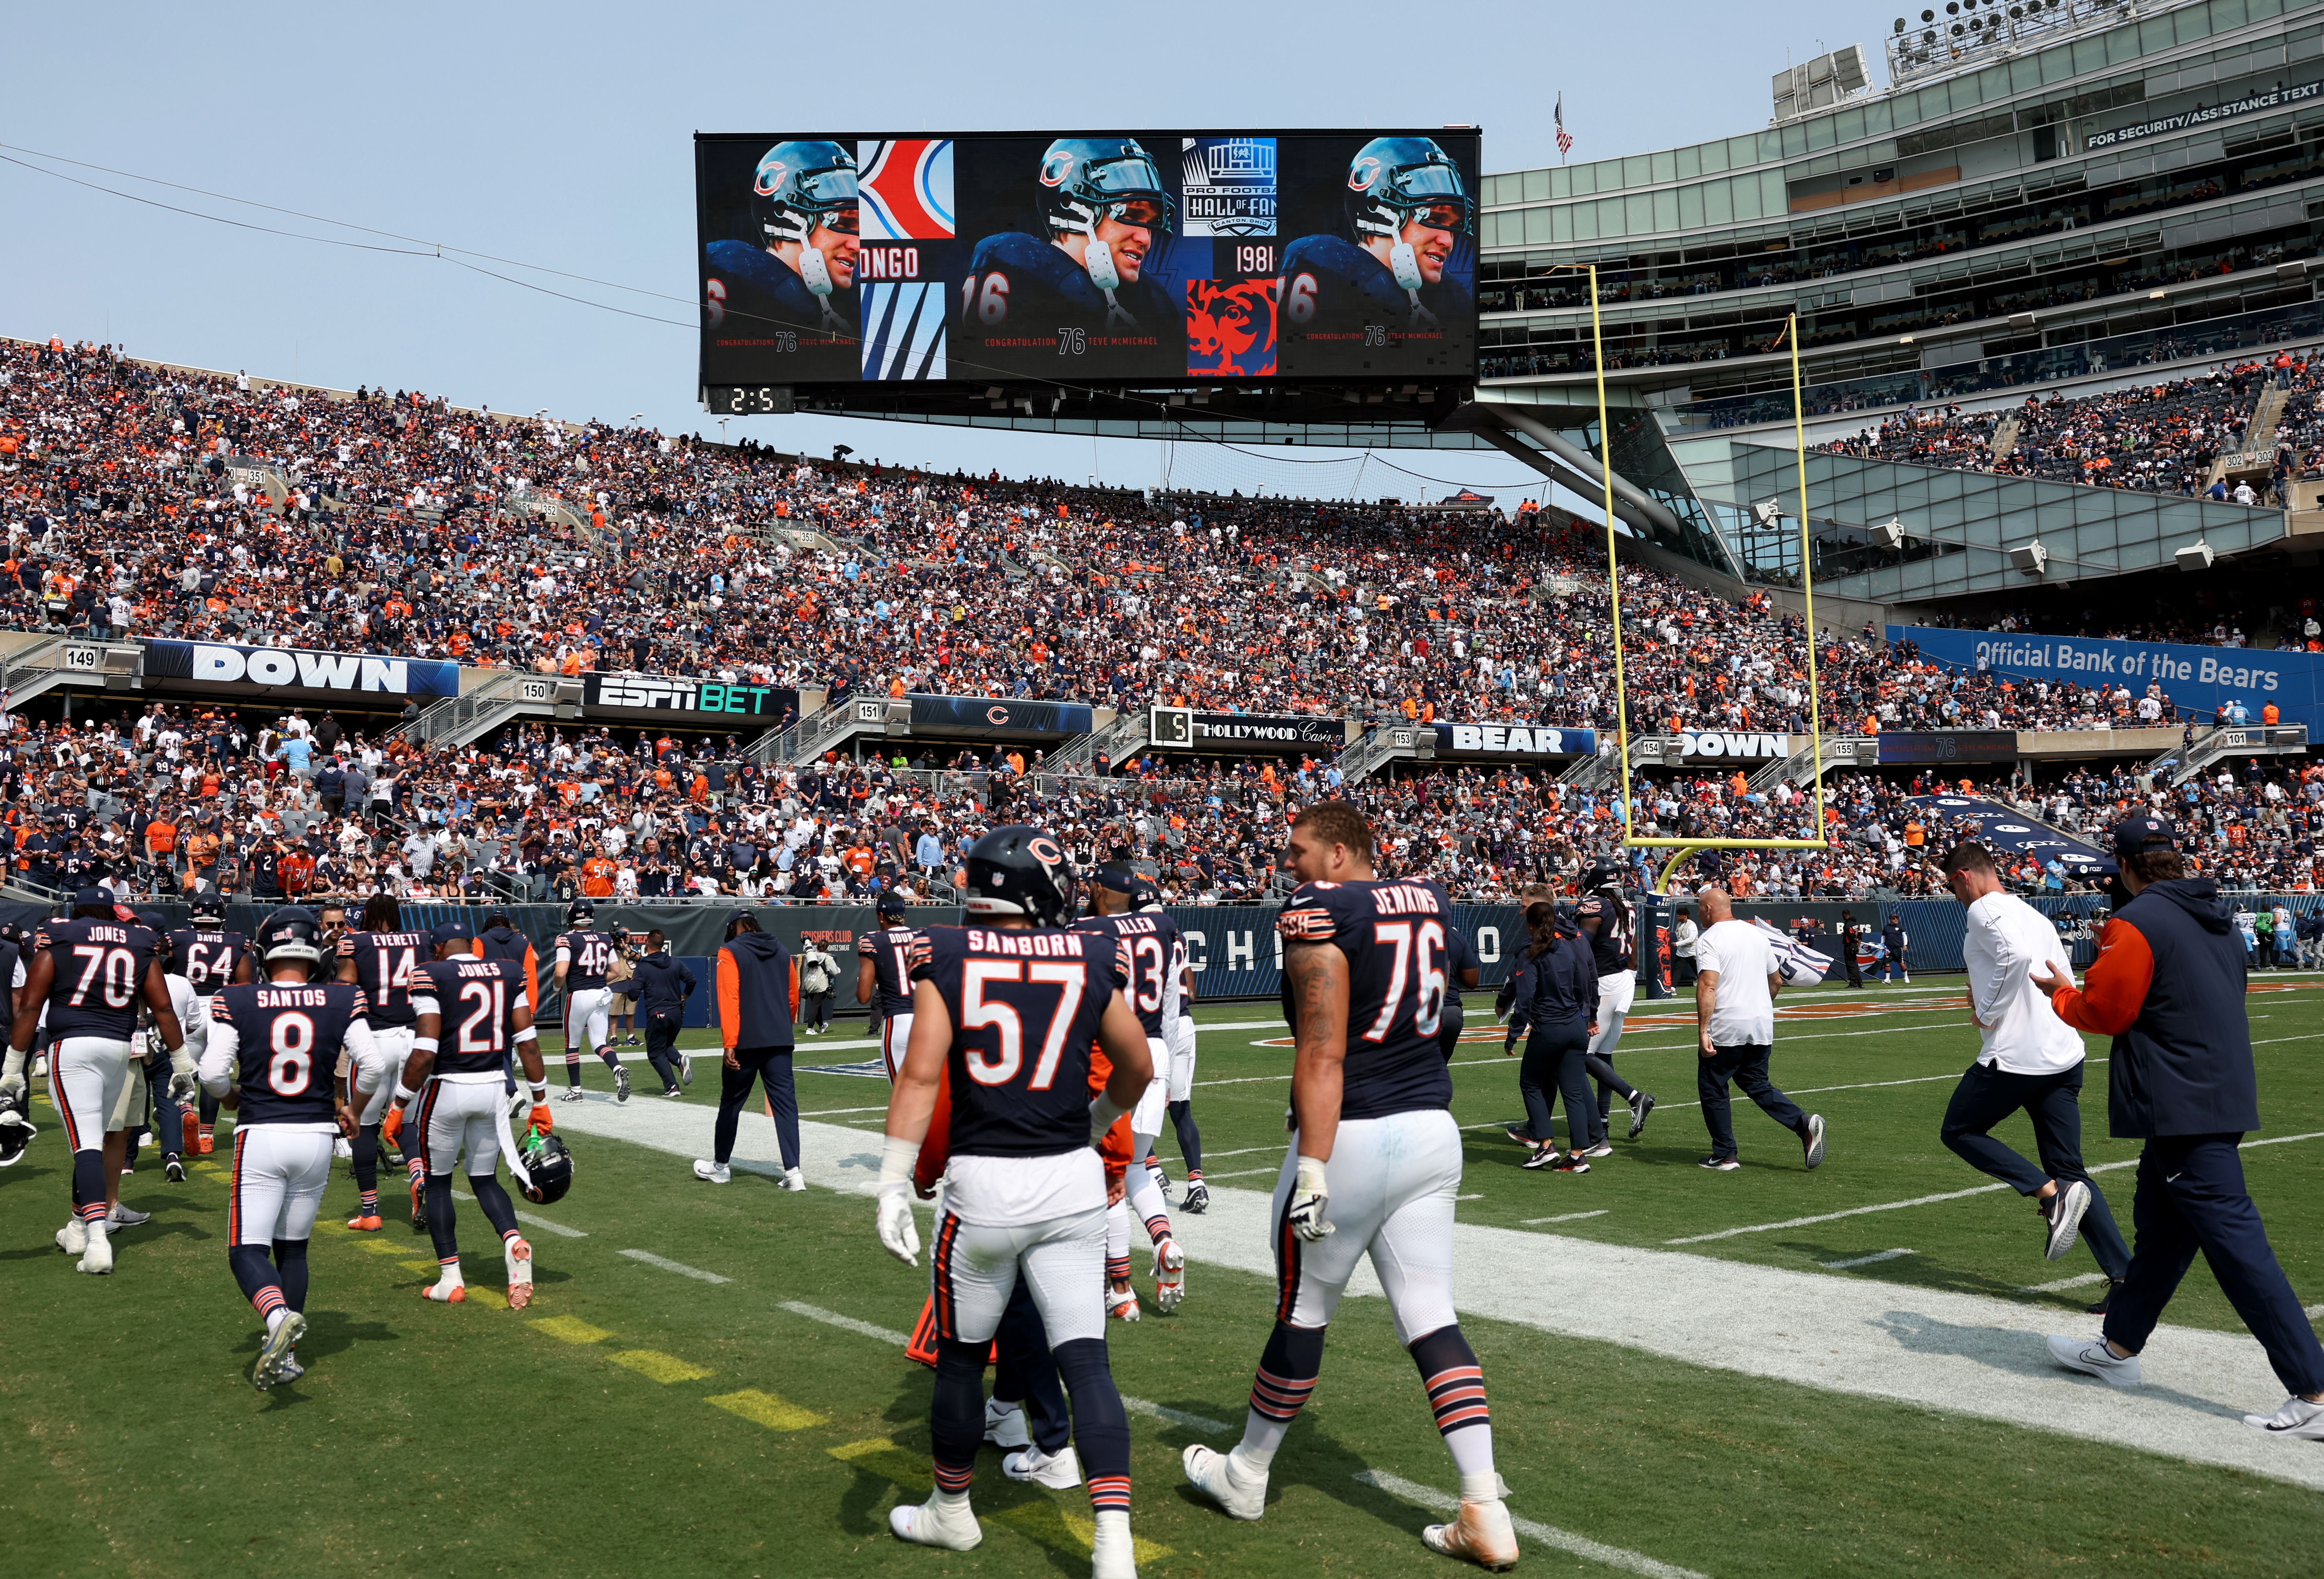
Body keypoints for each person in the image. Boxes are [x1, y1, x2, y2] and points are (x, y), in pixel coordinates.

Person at [1182, 803, 1519, 1570]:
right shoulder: (1428, 898)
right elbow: (1456, 995)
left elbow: (1324, 1049)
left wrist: (1312, 1162)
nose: (1288, 865)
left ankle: (1247, 1474)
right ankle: (1484, 1507)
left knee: (1302, 1313)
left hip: (1354, 1136)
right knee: (1431, 1316)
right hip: (1431, 1128)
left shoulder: (1319, 910)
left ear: (1339, 853)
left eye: (1299, 851)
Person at [872, 824, 1153, 1576]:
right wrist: (1092, 1124)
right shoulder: (1094, 951)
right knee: (1087, 1364)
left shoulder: (949, 953)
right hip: (1069, 1183)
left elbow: (921, 1077)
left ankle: (953, 1513)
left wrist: (893, 1180)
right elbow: (1138, 1064)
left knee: (963, 1363)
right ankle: (1113, 1546)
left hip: (984, 1188)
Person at [2034, 814, 2324, 1439]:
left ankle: (2312, 1388)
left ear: (2125, 865)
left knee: (2238, 1248)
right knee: (2162, 1232)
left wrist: (2060, 993)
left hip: (2180, 1107)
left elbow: (2107, 1011)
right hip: (2213, 1093)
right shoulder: (2215, 919)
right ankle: (2117, 1348)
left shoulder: (2137, 921)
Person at [1938, 842, 2131, 1309]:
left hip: (2019, 1054)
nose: (1954, 895)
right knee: (2072, 1171)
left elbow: (2015, 956)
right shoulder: (2033, 913)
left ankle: (2048, 1194)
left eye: (1951, 886)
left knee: (1959, 1130)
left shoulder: (1984, 908)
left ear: (1964, 876)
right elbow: (2055, 972)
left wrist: (1985, 1010)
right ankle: (2126, 1279)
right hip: (2061, 1050)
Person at [199, 907, 365, 1389]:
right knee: (293, 1251)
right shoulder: (341, 997)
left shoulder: (237, 998)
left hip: (263, 1134)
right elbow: (371, 1065)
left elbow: (211, 1074)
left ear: (264, 949)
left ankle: (276, 1320)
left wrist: (232, 1097)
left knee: (245, 1250)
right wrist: (353, 1108)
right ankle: (287, 1354)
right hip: (316, 1136)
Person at [2, 889, 189, 1275]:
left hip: (74, 1046)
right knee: (94, 1136)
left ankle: (97, 1240)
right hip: (120, 1049)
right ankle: (76, 1227)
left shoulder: (61, 935)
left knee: (87, 1142)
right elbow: (163, 1006)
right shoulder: (138, 941)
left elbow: (32, 1005)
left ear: (77, 909)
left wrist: (11, 1067)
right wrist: (183, 1062)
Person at [385, 919, 551, 1308]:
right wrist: (540, 1100)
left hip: (447, 1088)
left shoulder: (431, 973)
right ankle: (514, 1242)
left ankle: (451, 1279)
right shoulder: (507, 972)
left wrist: (398, 1105)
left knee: (439, 1183)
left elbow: (425, 1051)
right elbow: (527, 1044)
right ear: (470, 946)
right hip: (493, 1090)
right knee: (485, 1179)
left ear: (439, 949)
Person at [1073, 870, 1187, 1318]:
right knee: (1136, 1163)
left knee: (1109, 1170)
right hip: (1156, 1049)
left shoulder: (1087, 930)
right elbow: (1173, 1004)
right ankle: (1163, 1240)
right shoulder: (1166, 928)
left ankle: (1120, 1291)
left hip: (1112, 1052)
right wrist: (1165, 1060)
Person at [1693, 887, 1827, 1172]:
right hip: (1761, 1022)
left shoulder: (1710, 939)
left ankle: (1725, 1154)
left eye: (1700, 909)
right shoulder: (1757, 934)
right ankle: (1803, 1125)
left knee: (1713, 1085)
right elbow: (1776, 981)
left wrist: (1704, 1030)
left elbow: (1708, 985)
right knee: (1756, 1083)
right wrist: (1760, 1006)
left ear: (1707, 910)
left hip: (1728, 1023)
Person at [336, 896, 434, 1230]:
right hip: (412, 1039)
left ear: (368, 915)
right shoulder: (422, 940)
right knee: (405, 1121)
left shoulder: (355, 941)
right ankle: (419, 1176)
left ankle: (370, 1212)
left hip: (374, 1040)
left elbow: (345, 988)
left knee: (361, 1123)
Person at [695, 909, 805, 1191]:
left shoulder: (729, 951)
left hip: (746, 1041)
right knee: (786, 1107)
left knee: (731, 1103)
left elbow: (730, 998)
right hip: (779, 1039)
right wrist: (782, 1024)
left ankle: (720, 1167)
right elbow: (793, 996)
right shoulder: (782, 950)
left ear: (733, 928)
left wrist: (730, 1042)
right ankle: (794, 1173)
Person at [1500, 888, 1599, 1172]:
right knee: (1574, 1092)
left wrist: (1513, 1034)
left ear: (1531, 925)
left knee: (1531, 1083)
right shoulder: (1569, 948)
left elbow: (1526, 998)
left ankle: (1545, 1145)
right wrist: (1586, 1016)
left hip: (1551, 1028)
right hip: (1576, 1026)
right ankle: (1579, 1155)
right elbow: (1583, 985)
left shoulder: (1529, 953)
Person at [1574, 865, 1654, 1145]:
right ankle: (1603, 1121)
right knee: (1604, 1054)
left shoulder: (1594, 905)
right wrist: (1630, 980)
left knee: (1578, 1053)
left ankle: (1635, 1097)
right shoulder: (1627, 905)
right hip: (1624, 981)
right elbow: (1632, 950)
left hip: (1604, 984)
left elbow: (1581, 946)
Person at [169, 893, 253, 1155]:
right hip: (221, 1010)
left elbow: (164, 969)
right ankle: (207, 1135)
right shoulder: (238, 941)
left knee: (183, 1071)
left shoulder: (178, 938)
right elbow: (245, 985)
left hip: (189, 1007)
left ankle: (185, 1112)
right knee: (212, 1075)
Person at [552, 898, 629, 1103]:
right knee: (599, 1042)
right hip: (600, 994)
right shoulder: (604, 939)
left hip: (578, 995)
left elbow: (561, 972)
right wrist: (595, 979)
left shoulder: (566, 939)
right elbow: (617, 971)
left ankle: (576, 1091)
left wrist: (556, 988)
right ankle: (617, 1067)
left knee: (572, 1044)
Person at [619, 930, 697, 1097]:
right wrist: (684, 997)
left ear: (647, 943)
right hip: (677, 1013)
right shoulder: (675, 962)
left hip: (658, 1014)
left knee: (655, 1053)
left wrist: (639, 987)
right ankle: (680, 1061)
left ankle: (672, 1087)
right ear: (663, 944)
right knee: (664, 1046)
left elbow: (633, 994)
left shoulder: (644, 967)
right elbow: (692, 980)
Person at [1164, 923, 1208, 1214]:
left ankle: (1152, 1172)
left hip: (1157, 1027)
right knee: (1181, 1110)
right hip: (1184, 1025)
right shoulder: (1176, 935)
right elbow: (1191, 993)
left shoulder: (1135, 932)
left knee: (1126, 1106)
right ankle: (1197, 1185)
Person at [859, 890, 920, 1079]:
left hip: (898, 1019)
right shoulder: (922, 936)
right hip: (927, 1020)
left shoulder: (872, 940)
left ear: (881, 916)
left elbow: (863, 996)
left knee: (901, 1094)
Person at [796, 934, 837, 1036]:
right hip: (821, 985)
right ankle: (810, 1028)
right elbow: (836, 971)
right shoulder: (827, 958)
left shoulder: (810, 956)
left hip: (810, 984)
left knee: (817, 1006)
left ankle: (821, 1026)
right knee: (815, 1006)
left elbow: (806, 969)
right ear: (826, 948)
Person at [1879, 911, 1911, 984]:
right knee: (1887, 963)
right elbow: (1883, 937)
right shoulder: (1886, 927)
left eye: (1897, 918)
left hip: (1898, 948)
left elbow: (1904, 936)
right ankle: (1888, 979)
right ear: (1890, 919)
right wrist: (1882, 946)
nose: (1896, 920)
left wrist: (1905, 945)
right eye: (1894, 918)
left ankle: (1906, 977)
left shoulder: (1901, 927)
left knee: (1901, 963)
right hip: (1889, 948)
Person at [1672, 905, 1699, 987]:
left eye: (1680, 914)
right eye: (1678, 914)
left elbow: (1691, 939)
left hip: (1692, 953)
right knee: (1677, 970)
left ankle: (1708, 985)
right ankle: (1673, 988)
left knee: (1698, 971)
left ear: (1686, 916)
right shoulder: (1679, 925)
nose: (1678, 916)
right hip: (1681, 953)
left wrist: (1677, 944)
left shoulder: (1692, 925)